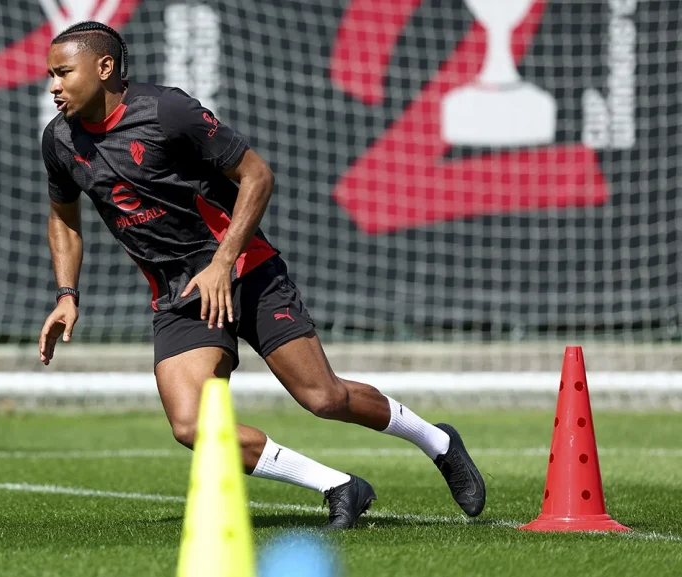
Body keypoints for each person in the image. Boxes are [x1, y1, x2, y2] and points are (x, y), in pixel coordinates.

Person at [37, 21, 485, 529]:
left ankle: (439, 442)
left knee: (324, 398)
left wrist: (222, 263)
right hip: (179, 295)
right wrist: (67, 294)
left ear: (104, 68)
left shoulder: (168, 111)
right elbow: (63, 220)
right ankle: (339, 486)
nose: (52, 84)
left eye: (62, 72)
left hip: (246, 270)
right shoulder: (59, 141)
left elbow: (257, 175)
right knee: (191, 425)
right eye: (50, 74)